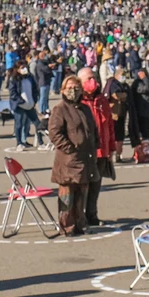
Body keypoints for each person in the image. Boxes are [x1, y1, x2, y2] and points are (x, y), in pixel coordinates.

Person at [47, 73, 100, 235]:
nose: (73, 91)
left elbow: (92, 129)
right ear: (63, 90)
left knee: (81, 194)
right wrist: (69, 147)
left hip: (85, 159)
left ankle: (79, 223)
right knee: (67, 195)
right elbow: (54, 133)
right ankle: (66, 226)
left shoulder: (85, 108)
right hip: (68, 160)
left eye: (76, 88)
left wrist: (95, 144)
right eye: (69, 88)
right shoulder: (60, 109)